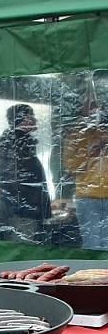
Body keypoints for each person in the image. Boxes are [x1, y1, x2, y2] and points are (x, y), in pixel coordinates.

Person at [0, 104, 51, 243]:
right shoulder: (15, 146)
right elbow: (16, 184)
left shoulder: (19, 144)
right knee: (24, 248)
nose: (35, 120)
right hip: (22, 214)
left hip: (25, 212)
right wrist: (36, 207)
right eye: (31, 116)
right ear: (20, 119)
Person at [63, 97, 108, 250]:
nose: (94, 112)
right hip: (88, 198)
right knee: (92, 243)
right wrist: (92, 149)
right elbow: (71, 167)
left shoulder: (105, 132)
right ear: (81, 112)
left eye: (97, 108)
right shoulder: (76, 136)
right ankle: (95, 273)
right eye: (90, 109)